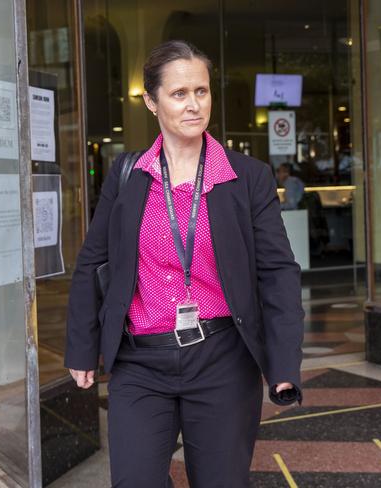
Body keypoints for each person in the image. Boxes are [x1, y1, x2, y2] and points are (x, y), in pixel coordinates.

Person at [65, 40, 304, 488]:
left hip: (223, 360)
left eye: (201, 91)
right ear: (151, 101)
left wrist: (284, 364)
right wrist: (82, 347)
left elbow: (277, 273)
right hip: (140, 361)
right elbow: (93, 260)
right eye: (179, 94)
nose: (194, 105)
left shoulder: (246, 176)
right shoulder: (128, 175)